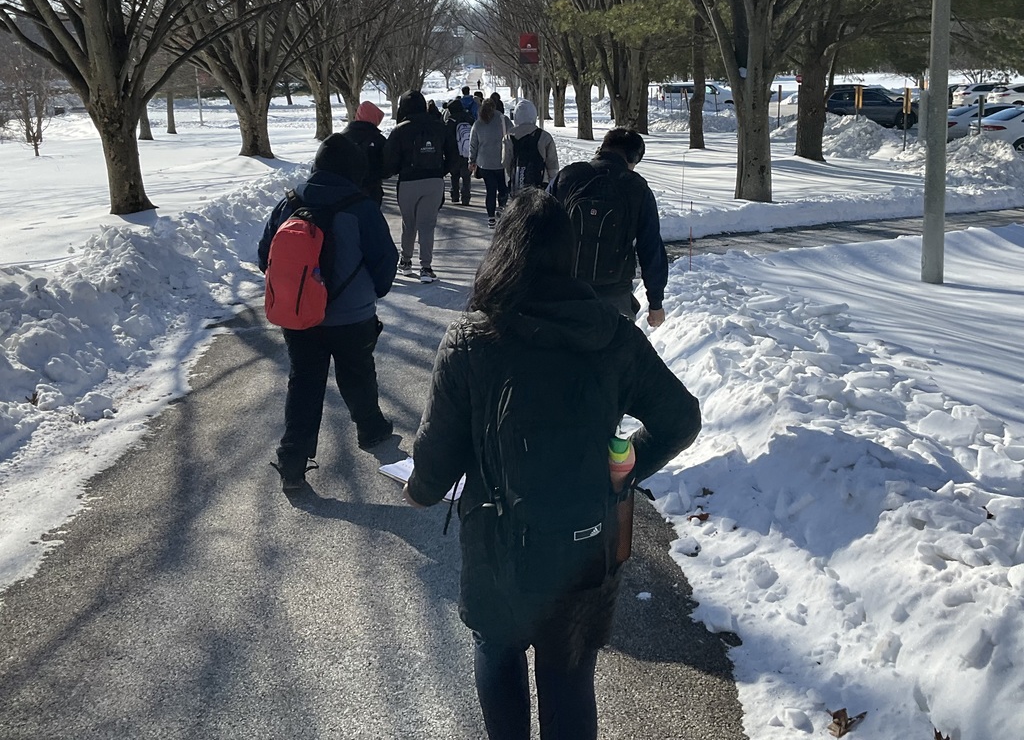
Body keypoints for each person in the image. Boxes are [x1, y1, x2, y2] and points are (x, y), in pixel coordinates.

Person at [402, 190, 701, 740]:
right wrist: (623, 466)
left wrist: (418, 490)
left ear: (502, 253)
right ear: (571, 255)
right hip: (584, 544)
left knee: (497, 653)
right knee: (569, 675)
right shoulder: (611, 334)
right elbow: (681, 418)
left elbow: (435, 462)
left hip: (497, 545)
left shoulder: (472, 337)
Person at [257, 133, 398, 491]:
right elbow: (385, 260)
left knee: (304, 381)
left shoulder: (288, 203)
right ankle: (371, 429)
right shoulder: (361, 207)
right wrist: (373, 292)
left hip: (300, 317)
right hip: (352, 315)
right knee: (358, 372)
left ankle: (292, 460)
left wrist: (299, 290)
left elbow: (264, 257)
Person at [548, 128, 668, 327]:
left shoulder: (567, 177)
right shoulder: (638, 188)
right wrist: (656, 302)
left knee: (562, 354)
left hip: (565, 292)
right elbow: (651, 247)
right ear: (632, 158)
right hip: (615, 295)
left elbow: (537, 229)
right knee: (614, 353)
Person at [382, 89, 457, 283]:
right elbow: (453, 156)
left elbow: (388, 161)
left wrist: (396, 171)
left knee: (409, 223)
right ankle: (426, 267)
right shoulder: (439, 127)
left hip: (408, 181)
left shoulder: (400, 130)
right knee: (427, 224)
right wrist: (441, 172)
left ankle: (405, 262)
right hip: (433, 181)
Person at [469, 97, 509, 228]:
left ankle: (491, 218)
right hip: (501, 161)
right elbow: (512, 135)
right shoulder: (503, 119)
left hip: (484, 163)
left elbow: (473, 144)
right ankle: (502, 209)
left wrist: (472, 160)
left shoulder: (478, 123)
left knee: (490, 190)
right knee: (503, 188)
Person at [505, 99, 558, 196]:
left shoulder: (509, 136)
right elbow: (552, 165)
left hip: (517, 183)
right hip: (540, 184)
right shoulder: (544, 136)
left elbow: (506, 162)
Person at [341, 100, 387, 205]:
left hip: (347, 188)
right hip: (372, 188)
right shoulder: (378, 139)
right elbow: (386, 165)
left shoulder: (343, 136)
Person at [443, 96, 475, 206]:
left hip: (454, 152)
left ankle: (455, 195)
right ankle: (466, 197)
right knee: (466, 176)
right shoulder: (469, 117)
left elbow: (446, 137)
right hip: (467, 150)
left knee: (455, 174)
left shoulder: (450, 121)